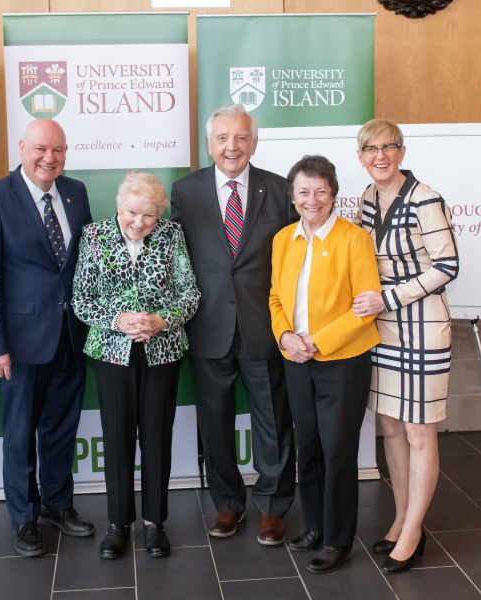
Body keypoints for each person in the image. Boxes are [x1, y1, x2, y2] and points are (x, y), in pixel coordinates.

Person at [0, 118, 95, 557]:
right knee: (20, 433)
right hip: (18, 343)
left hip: (71, 336)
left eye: (58, 150)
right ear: (21, 147)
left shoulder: (76, 193)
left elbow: (86, 264)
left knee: (60, 428)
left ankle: (58, 505)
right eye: (41, 149)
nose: (49, 158)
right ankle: (24, 517)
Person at [170, 104, 297, 545]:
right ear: (209, 144)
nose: (232, 146)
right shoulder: (185, 192)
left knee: (273, 421)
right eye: (222, 138)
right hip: (207, 327)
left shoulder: (280, 191)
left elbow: (295, 262)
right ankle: (227, 504)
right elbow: (176, 260)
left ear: (254, 143)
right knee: (215, 421)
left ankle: (273, 506)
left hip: (265, 326)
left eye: (241, 138)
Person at [72, 171, 200, 560]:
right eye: (132, 212)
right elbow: (82, 298)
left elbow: (190, 293)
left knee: (157, 436)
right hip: (112, 353)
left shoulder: (171, 234)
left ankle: (154, 523)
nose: (140, 223)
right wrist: (119, 320)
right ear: (118, 204)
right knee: (118, 437)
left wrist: (163, 320)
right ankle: (117, 523)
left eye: (149, 215)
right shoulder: (94, 236)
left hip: (162, 351)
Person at [351, 119, 459, 573]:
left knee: (419, 431)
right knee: (391, 428)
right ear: (361, 156)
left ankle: (414, 533)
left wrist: (389, 297)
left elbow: (447, 265)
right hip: (383, 329)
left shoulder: (425, 197)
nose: (380, 156)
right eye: (371, 149)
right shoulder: (368, 199)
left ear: (402, 152)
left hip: (421, 326)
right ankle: (400, 518)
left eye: (389, 147)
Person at [268, 155, 381, 574]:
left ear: (333, 194)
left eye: (320, 190)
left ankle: (337, 539)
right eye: (303, 191)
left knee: (337, 451)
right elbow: (276, 298)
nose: (311, 199)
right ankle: (314, 525)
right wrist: (285, 337)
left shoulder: (354, 239)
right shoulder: (283, 239)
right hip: (296, 358)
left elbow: (365, 308)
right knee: (309, 446)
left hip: (342, 362)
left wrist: (315, 341)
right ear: (292, 196)